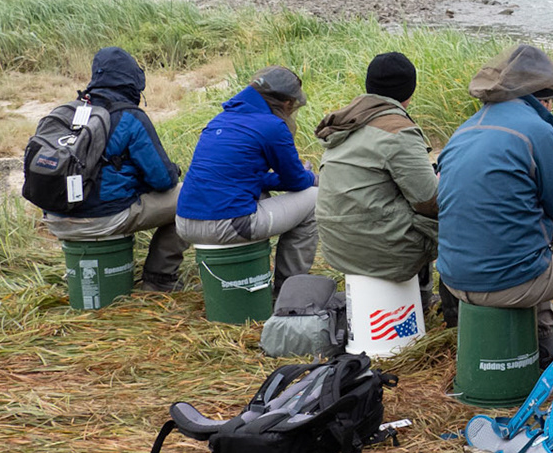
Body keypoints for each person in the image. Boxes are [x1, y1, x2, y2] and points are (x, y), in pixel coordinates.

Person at [435, 44, 553, 362]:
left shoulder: (465, 130)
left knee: (524, 235)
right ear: (543, 99)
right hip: (507, 283)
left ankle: (547, 338)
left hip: (455, 278)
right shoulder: (536, 131)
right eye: (552, 102)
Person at [42, 46, 185, 291]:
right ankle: (159, 278)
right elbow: (162, 180)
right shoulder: (129, 116)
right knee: (192, 198)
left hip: (55, 218)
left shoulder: (66, 113)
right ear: (132, 81)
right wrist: (173, 170)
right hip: (102, 219)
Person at [314, 51, 442, 313]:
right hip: (378, 249)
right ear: (410, 91)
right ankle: (434, 302)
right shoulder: (398, 130)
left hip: (337, 245)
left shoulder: (347, 122)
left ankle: (420, 295)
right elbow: (430, 202)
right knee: (450, 215)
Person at [175, 66, 318, 293]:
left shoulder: (220, 120)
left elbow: (243, 177)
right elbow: (297, 181)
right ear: (287, 103)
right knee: (314, 198)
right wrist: (311, 176)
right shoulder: (272, 126)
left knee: (260, 194)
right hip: (228, 225)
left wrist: (280, 179)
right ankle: (287, 292)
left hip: (184, 222)